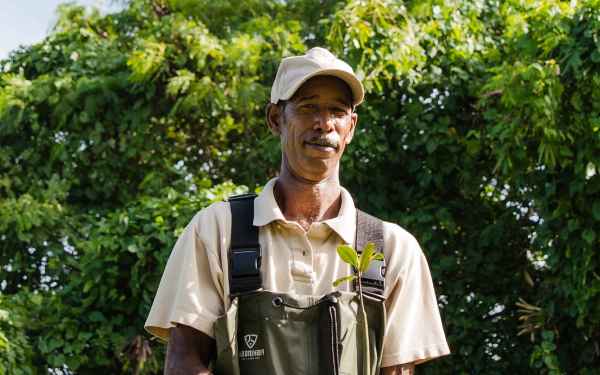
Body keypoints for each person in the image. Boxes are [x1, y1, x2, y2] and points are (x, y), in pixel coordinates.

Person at [145, 47, 450, 375]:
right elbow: (184, 362)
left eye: (337, 110)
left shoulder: (391, 249)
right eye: (308, 108)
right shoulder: (218, 230)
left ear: (351, 127)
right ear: (276, 119)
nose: (324, 124)